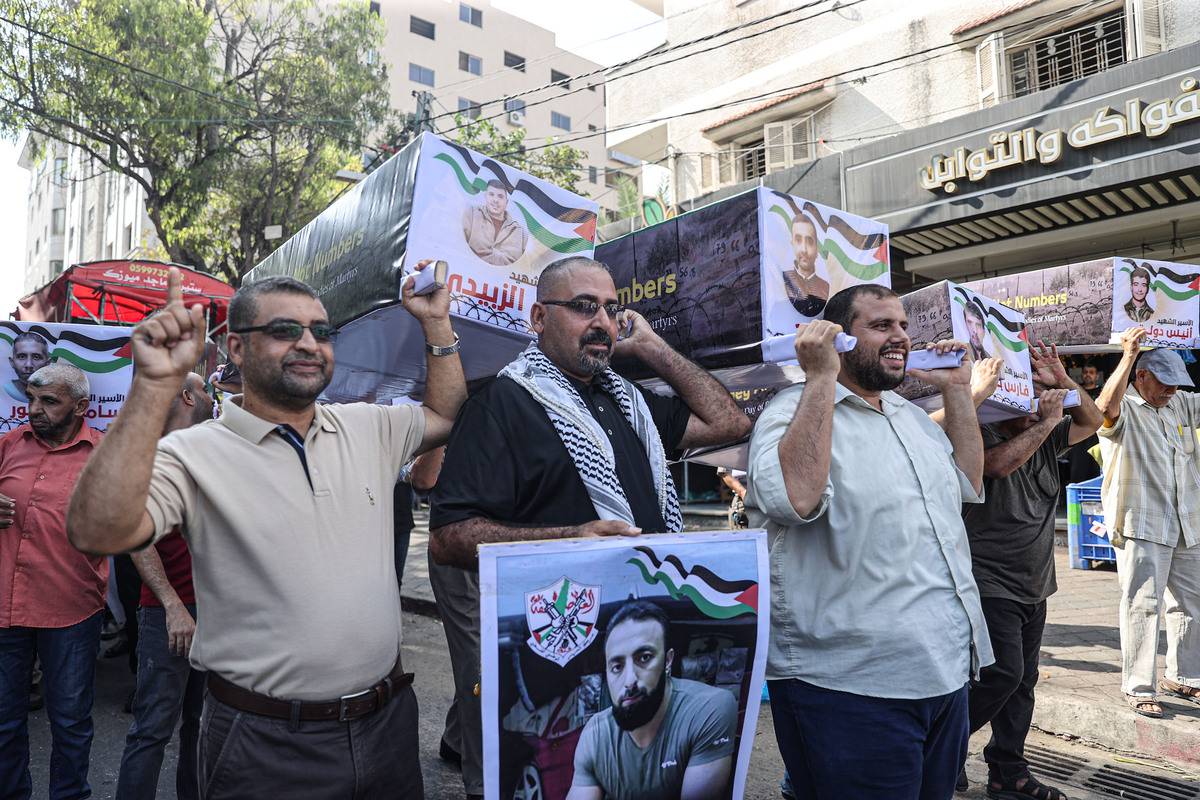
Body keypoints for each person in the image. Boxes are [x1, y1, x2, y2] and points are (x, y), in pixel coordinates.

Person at [66, 265, 466, 797]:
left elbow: (444, 412)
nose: (309, 344)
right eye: (284, 331)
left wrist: (436, 324)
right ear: (235, 346)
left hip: (387, 727)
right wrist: (153, 389)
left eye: (321, 332)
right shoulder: (192, 453)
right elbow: (95, 530)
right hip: (265, 743)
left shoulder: (368, 426)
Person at [429, 256, 750, 798]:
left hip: (642, 638)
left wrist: (650, 347)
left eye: (611, 308)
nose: (602, 321)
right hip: (558, 658)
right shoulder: (501, 404)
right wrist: (569, 540)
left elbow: (731, 421)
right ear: (538, 318)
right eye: (583, 306)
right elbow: (448, 538)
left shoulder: (628, 402)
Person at [746, 284, 992, 799]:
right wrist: (820, 379)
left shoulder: (907, 417)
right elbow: (794, 500)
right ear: (836, 339)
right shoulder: (794, 412)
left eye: (902, 324)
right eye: (881, 326)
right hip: (848, 686)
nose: (900, 335)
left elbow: (966, 484)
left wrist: (955, 390)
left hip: (942, 670)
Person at [960, 340, 1103, 799]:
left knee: (1021, 683)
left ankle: (1008, 772)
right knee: (1001, 674)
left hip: (1034, 582)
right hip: (987, 581)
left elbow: (1095, 420)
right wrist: (1044, 421)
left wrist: (1064, 381)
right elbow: (998, 467)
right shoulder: (981, 433)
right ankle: (938, 746)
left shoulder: (1047, 432)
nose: (1041, 402)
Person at [0, 363, 108, 800]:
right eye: (30, 399)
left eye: (49, 401)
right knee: (4, 721)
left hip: (70, 610)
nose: (34, 410)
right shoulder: (9, 444)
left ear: (81, 407)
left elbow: (133, 527)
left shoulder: (106, 454)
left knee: (70, 723)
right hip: (6, 608)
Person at [115, 372, 213, 800]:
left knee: (202, 723)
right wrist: (173, 605)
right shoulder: (146, 455)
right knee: (153, 728)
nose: (213, 396)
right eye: (206, 390)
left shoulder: (213, 448)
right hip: (167, 614)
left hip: (216, 613)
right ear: (189, 397)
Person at [1096, 327, 1200, 718]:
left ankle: (1186, 676)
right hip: (1142, 521)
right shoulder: (1125, 409)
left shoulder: (1179, 405)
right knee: (1143, 604)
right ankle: (1139, 685)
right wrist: (1127, 355)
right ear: (1142, 377)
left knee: (1191, 603)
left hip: (1188, 520)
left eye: (1178, 384)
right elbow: (1104, 406)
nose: (1172, 390)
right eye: (1165, 383)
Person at [567, 600, 737, 800]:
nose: (629, 680)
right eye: (617, 666)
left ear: (668, 660)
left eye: (644, 658)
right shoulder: (595, 735)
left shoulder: (709, 709)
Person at [462, 179, 529, 266]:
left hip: (501, 279)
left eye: (500, 196)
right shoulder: (471, 214)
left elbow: (524, 264)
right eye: (491, 194)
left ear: (507, 202)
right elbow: (459, 243)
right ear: (485, 196)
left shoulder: (519, 231)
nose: (495, 200)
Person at [780, 216, 829, 318]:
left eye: (810, 241)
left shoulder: (825, 287)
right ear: (792, 244)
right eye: (798, 240)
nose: (804, 249)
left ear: (817, 249)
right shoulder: (782, 281)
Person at [5, 332, 51, 402]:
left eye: (36, 357)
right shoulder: (4, 390)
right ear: (12, 362)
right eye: (22, 357)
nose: (28, 365)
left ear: (47, 363)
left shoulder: (54, 395)